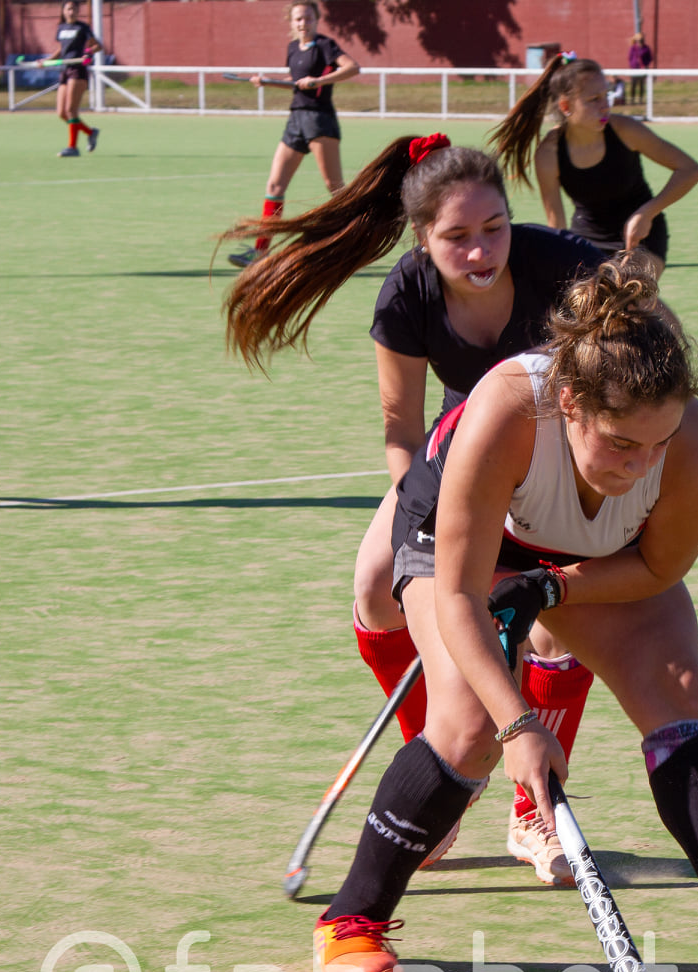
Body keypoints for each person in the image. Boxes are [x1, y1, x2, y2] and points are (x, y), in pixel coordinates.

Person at [307, 253, 698, 972]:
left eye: (657, 444)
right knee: (469, 727)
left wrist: (547, 588)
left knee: (675, 693)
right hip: (460, 544)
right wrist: (519, 726)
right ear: (571, 404)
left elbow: (654, 571)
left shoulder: (693, 451)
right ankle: (350, 919)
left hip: (595, 561)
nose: (640, 466)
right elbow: (455, 593)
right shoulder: (509, 409)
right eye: (619, 443)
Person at [223, 136, 607, 885]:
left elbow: (619, 392)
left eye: (493, 227)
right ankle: (442, 784)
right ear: (423, 240)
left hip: (565, 456)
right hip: (456, 454)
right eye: (456, 237)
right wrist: (435, 522)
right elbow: (401, 433)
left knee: (554, 624)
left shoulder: (565, 271)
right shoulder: (406, 293)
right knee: (373, 586)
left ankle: (536, 813)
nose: (479, 251)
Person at [490, 53, 698, 273]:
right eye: (594, 99)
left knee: (628, 296)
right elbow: (556, 223)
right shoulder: (549, 154)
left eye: (606, 95)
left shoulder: (626, 131)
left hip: (642, 236)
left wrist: (646, 213)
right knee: (588, 304)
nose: (605, 106)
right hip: (587, 240)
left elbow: (691, 170)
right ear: (565, 106)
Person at [227, 2, 359, 269]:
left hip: (320, 120)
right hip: (296, 120)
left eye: (308, 18)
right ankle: (260, 252)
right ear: (291, 22)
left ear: (316, 19)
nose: (303, 23)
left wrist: (319, 81)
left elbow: (353, 68)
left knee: (336, 189)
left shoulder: (325, 45)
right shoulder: (291, 49)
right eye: (298, 19)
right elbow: (295, 81)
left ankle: (354, 244)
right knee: (275, 186)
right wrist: (265, 81)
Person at [50, 1, 101, 157]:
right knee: (61, 113)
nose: (72, 11)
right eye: (69, 8)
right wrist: (47, 60)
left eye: (74, 9)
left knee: (71, 110)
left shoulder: (83, 27)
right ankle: (90, 132)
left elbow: (97, 46)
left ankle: (72, 147)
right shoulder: (61, 28)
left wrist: (88, 53)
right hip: (65, 69)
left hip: (78, 69)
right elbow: (61, 49)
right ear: (64, 11)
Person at [626, 31, 653, 105]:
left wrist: (645, 64)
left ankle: (640, 100)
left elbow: (650, 58)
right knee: (633, 85)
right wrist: (633, 65)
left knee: (641, 85)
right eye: (639, 40)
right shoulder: (633, 48)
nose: (640, 41)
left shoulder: (646, 48)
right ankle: (632, 100)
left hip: (642, 69)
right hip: (634, 69)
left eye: (641, 40)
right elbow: (630, 57)